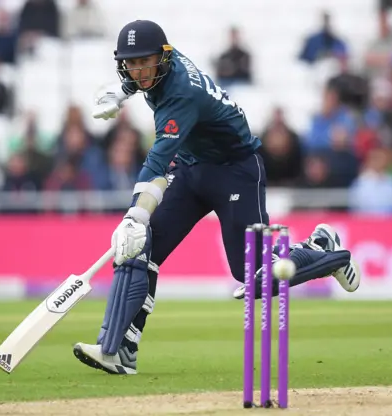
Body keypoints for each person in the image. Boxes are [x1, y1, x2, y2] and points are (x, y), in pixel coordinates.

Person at [73, 20, 361, 375]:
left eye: (144, 62)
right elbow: (142, 75)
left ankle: (322, 249)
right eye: (130, 64)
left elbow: (157, 162)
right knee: (139, 248)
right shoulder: (160, 64)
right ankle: (118, 350)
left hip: (236, 169)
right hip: (194, 166)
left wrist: (135, 214)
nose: (138, 71)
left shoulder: (181, 94)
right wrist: (121, 91)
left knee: (253, 274)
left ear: (162, 58)